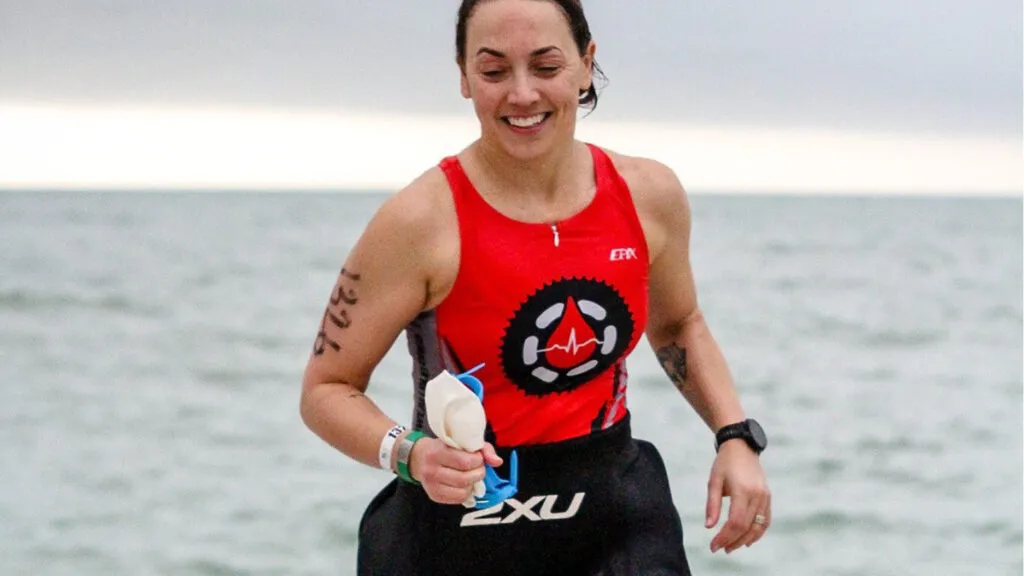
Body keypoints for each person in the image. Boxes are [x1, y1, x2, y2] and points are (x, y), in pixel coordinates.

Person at [299, 0, 771, 574]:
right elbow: (327, 389)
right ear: (464, 76)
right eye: (494, 71)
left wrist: (734, 436)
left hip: (613, 513)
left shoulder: (647, 195)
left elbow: (677, 324)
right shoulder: (419, 223)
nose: (521, 94)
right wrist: (410, 453)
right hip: (458, 523)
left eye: (545, 67)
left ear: (585, 62)